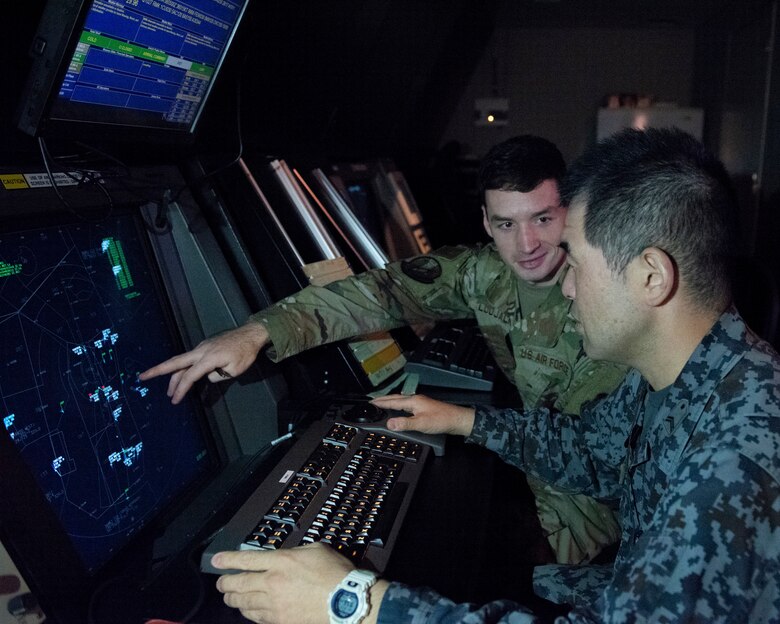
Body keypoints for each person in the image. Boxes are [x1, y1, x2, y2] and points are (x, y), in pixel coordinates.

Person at [209, 128, 780, 623]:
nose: (567, 282)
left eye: (574, 257)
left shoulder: (736, 458)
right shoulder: (690, 379)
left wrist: (354, 603)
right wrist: (466, 421)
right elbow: (593, 451)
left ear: (653, 276)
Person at [141, 135, 626, 565]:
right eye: (505, 224)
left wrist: (466, 422)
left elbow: (602, 458)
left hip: (596, 516)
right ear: (485, 220)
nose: (526, 245)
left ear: (572, 209)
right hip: (537, 480)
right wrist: (259, 332)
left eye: (542, 218)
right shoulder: (485, 275)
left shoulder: (615, 295)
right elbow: (380, 293)